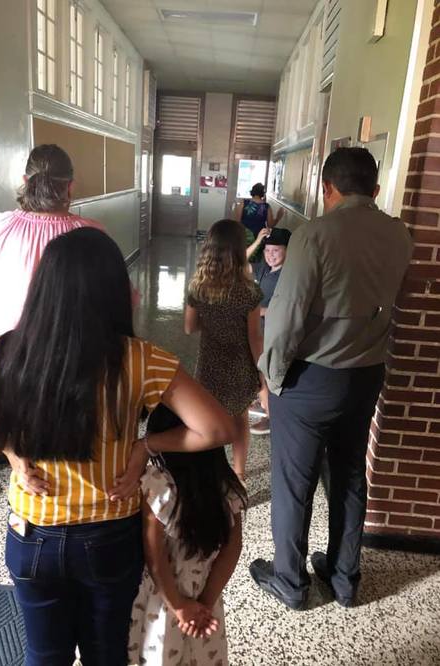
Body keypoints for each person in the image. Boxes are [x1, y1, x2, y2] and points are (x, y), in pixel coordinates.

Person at [0, 227, 237, 666]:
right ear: (112, 292)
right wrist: (146, 445)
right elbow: (217, 429)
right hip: (109, 536)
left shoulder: (3, 354)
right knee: (106, 654)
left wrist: (5, 444)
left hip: (33, 534)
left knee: (45, 654)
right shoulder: (140, 359)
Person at [249, 147, 413, 610]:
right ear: (375, 189)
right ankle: (344, 578)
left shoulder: (314, 235)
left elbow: (287, 316)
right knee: (349, 474)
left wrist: (271, 380)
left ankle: (291, 581)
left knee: (294, 481)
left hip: (311, 380)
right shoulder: (400, 234)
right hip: (366, 376)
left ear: (327, 189)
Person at [129, 405, 246, 666]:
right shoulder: (228, 486)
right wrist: (205, 603)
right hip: (205, 592)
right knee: (203, 656)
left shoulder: (158, 485)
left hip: (162, 599)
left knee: (160, 654)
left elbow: (155, 557)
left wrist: (179, 605)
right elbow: (233, 548)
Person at [0, 144, 103, 337]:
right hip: (72, 352)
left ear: (26, 181)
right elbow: (118, 299)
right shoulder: (92, 234)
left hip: (5, 350)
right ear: (70, 186)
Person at [185, 219, 265, 480]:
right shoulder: (250, 292)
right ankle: (239, 473)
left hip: (209, 364)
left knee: (210, 418)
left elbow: (189, 327)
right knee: (240, 419)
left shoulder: (198, 287)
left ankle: (211, 472)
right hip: (240, 365)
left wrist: (212, 322)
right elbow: (254, 338)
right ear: (240, 250)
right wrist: (262, 378)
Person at [248, 227, 291, 436]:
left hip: (275, 333)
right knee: (260, 370)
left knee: (270, 374)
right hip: (261, 331)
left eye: (276, 250)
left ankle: (272, 418)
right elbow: (238, 262)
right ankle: (264, 403)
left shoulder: (288, 275)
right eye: (267, 250)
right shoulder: (266, 269)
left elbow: (287, 307)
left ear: (288, 250)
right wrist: (258, 241)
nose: (270, 255)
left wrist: (256, 311)